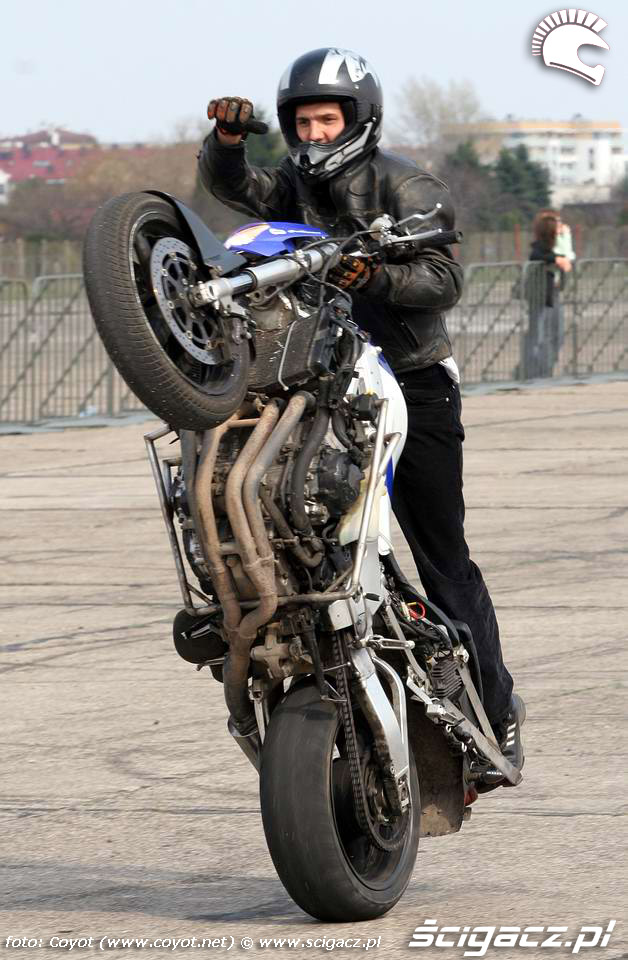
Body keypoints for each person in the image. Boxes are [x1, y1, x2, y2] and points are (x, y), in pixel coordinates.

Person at [198, 47, 524, 781]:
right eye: (303, 122)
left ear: (358, 119)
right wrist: (226, 141)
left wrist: (371, 273)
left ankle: (497, 707)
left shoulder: (408, 184)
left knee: (441, 553)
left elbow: (443, 278)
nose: (314, 133)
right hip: (326, 384)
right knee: (312, 527)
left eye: (327, 119)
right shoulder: (291, 184)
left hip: (413, 378)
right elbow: (237, 186)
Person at [523, 209, 572, 378]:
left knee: (557, 335)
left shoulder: (558, 245)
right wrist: (556, 259)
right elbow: (535, 255)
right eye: (557, 224)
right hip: (539, 295)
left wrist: (566, 236)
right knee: (537, 336)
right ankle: (531, 372)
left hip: (554, 294)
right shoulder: (540, 246)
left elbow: (567, 254)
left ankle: (546, 369)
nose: (561, 226)